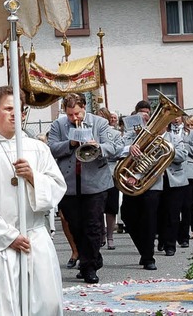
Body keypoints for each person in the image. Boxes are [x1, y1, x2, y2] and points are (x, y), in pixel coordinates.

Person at [0, 85, 67, 315]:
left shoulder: (37, 148)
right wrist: (9, 237)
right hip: (2, 243)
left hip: (35, 236)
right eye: (8, 108)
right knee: (6, 306)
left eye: (20, 109)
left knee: (48, 303)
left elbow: (57, 186)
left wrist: (33, 177)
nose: (15, 114)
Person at [48, 92, 123, 284]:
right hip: (69, 183)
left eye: (78, 114)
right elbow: (52, 148)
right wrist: (71, 143)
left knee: (93, 226)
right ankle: (91, 258)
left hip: (95, 182)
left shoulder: (99, 123)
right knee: (75, 226)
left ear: (84, 109)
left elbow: (113, 147)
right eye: (70, 115)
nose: (75, 118)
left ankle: (88, 266)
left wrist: (97, 146)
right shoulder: (58, 125)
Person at [119, 100, 162, 270]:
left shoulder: (156, 131)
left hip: (151, 182)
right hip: (129, 182)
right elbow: (119, 149)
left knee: (149, 219)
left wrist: (137, 175)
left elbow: (158, 156)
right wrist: (130, 147)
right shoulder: (129, 132)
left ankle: (149, 257)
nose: (144, 115)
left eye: (147, 112)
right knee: (127, 216)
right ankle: (144, 250)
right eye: (141, 112)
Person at [156, 116, 188, 256]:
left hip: (173, 180)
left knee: (172, 214)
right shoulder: (148, 139)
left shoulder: (174, 138)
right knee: (158, 213)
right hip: (154, 180)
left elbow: (182, 155)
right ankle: (162, 239)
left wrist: (167, 150)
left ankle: (170, 245)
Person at [94, 107, 123, 250]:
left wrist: (104, 150)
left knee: (111, 207)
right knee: (97, 207)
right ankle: (102, 234)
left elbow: (119, 150)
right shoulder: (92, 132)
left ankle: (110, 235)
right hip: (96, 172)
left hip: (112, 171)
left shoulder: (115, 133)